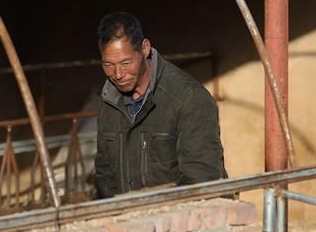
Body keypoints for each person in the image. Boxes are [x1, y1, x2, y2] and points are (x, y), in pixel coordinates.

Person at [93, 12, 227, 198]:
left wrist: (153, 214)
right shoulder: (108, 101)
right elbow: (104, 177)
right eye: (108, 65)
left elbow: (202, 180)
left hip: (184, 213)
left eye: (126, 63)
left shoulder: (188, 97)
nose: (118, 74)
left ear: (145, 48)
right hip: (131, 214)